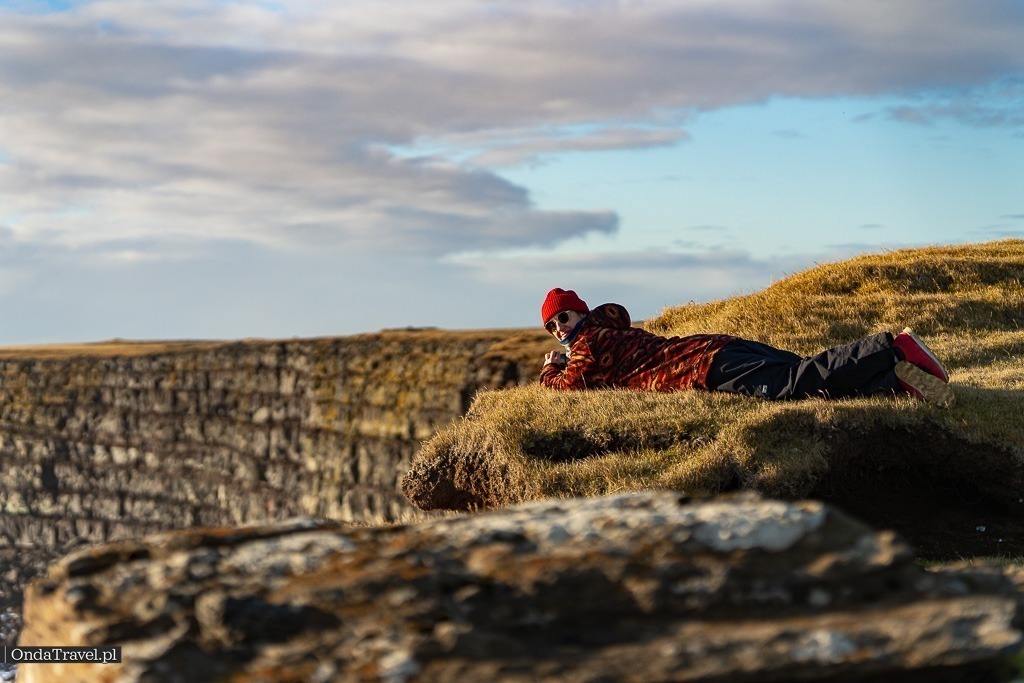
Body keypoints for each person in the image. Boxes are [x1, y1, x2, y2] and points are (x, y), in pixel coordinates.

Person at [538, 287, 954, 407]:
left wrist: (549, 370)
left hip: (704, 367)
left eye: (564, 317)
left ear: (581, 313)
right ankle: (890, 381)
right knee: (809, 377)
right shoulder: (606, 333)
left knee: (796, 384)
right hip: (717, 345)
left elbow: (570, 386)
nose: (560, 327)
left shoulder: (589, 345)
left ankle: (895, 348)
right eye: (552, 325)